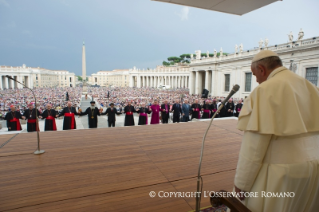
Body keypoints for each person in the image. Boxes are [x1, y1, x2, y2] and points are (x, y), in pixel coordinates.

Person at [234, 50, 319, 212]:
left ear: (261, 69)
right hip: (314, 168)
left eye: (254, 75)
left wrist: (241, 183)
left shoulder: (264, 90)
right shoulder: (311, 87)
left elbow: (254, 146)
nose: (257, 81)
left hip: (280, 173)